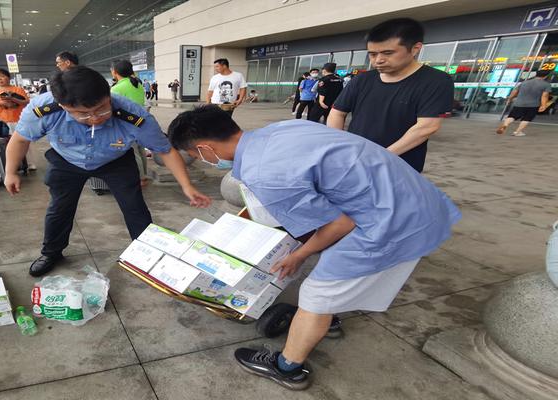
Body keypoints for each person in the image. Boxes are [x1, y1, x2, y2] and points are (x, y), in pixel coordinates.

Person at [167, 105, 460, 391]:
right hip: (414, 198)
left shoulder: (263, 173)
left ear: (205, 149)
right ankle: (328, 318)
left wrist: (299, 255)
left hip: (388, 221)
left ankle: (287, 367)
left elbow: (339, 225)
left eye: (195, 155)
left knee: (315, 293)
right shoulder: (285, 127)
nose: (201, 160)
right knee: (332, 270)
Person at [4, 66, 212, 277]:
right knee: (60, 208)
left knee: (134, 207)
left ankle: (147, 253)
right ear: (63, 106)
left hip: (116, 161)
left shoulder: (133, 115)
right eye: (83, 114)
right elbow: (20, 139)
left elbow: (165, 150)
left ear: (108, 95)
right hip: (67, 160)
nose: (95, 118)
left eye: (102, 108)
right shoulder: (43, 110)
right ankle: (51, 253)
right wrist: (10, 172)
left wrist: (186, 185)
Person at [328, 18, 454, 173]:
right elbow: (337, 113)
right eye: (372, 54)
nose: (378, 60)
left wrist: (380, 157)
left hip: (400, 165)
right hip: (355, 160)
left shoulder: (436, 81)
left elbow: (427, 127)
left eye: (388, 53)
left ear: (415, 48)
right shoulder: (362, 80)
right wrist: (340, 148)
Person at [0, 68, 37, 171]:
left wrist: (12, 99)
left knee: (24, 141)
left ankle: (30, 163)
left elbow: (26, 102)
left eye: (2, 76)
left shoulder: (17, 89)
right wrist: (3, 103)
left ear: (8, 77)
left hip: (17, 120)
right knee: (3, 144)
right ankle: (7, 165)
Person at [110, 59, 150, 188]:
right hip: (140, 121)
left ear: (115, 72)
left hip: (126, 123)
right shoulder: (136, 84)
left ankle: (140, 178)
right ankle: (144, 176)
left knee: (133, 152)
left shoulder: (117, 88)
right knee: (140, 149)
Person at [496, 70, 552, 137]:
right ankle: (517, 132)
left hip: (519, 103)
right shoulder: (546, 84)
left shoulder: (524, 82)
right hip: (533, 105)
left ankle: (505, 125)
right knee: (526, 118)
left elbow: (515, 91)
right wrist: (543, 105)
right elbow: (544, 96)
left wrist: (510, 98)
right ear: (545, 76)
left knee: (512, 116)